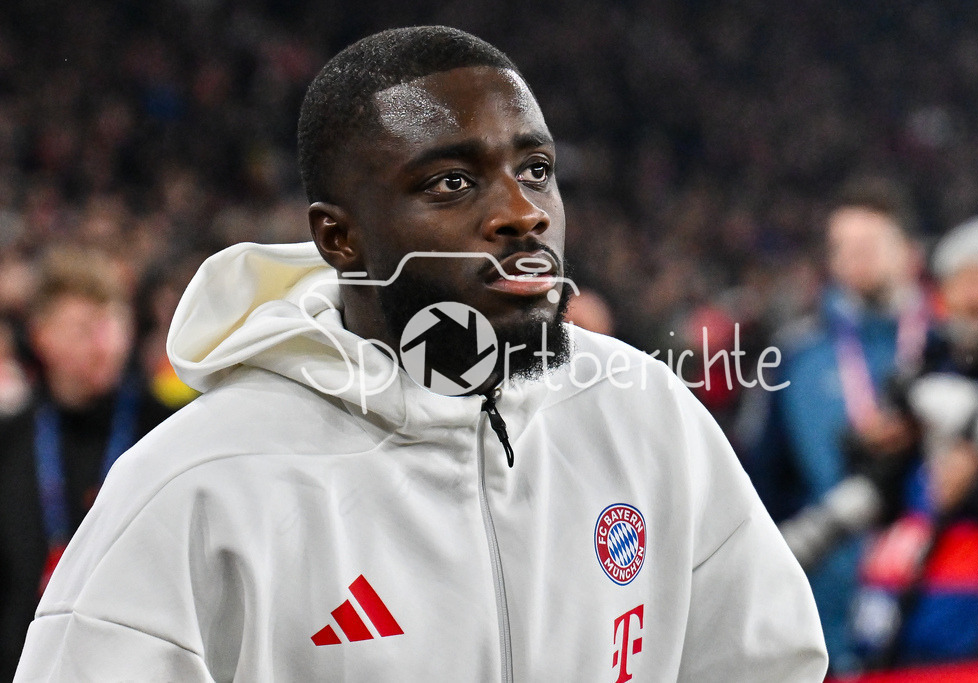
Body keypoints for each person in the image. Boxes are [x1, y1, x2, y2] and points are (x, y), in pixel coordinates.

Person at [16, 27, 827, 681]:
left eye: (537, 169)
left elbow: (769, 662)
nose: (524, 213)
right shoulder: (197, 484)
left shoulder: (645, 412)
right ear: (340, 236)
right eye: (451, 183)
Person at [743, 177, 928, 672]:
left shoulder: (945, 347)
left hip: (930, 612)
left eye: (869, 245)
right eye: (842, 247)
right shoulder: (796, 356)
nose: (854, 258)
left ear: (909, 252)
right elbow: (760, 486)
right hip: (825, 612)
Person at [850, 214, 978, 666]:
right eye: (959, 280)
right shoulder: (921, 376)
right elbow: (885, 498)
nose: (971, 296)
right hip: (906, 627)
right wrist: (874, 453)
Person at [0, 248, 172, 678]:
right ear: (42, 335)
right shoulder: (10, 441)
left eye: (113, 324)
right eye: (83, 328)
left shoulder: (167, 432)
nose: (104, 344)